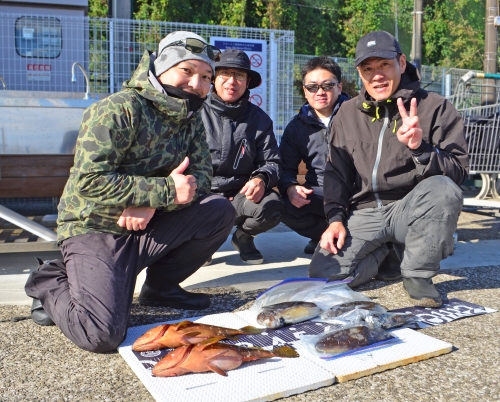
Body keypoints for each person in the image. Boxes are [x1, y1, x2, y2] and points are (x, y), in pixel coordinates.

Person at [24, 31, 236, 353]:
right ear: (161, 69)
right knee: (101, 335)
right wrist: (162, 192)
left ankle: (160, 288)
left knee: (219, 210)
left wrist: (152, 205)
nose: (197, 84)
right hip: (95, 228)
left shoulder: (191, 120)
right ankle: (48, 278)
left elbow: (202, 179)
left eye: (206, 77)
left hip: (148, 225)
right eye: (187, 71)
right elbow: (89, 180)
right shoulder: (119, 109)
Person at [309, 31, 469, 308]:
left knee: (443, 190)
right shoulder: (346, 113)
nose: (377, 75)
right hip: (365, 212)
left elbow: (458, 171)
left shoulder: (435, 107)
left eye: (384, 64)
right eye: (367, 68)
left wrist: (421, 148)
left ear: (402, 63)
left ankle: (417, 274)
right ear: (359, 73)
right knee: (324, 275)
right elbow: (336, 173)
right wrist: (335, 218)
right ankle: (389, 253)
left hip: (410, 209)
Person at [201, 49, 284, 265]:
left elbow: (272, 162)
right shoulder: (194, 114)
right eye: (225, 74)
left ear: (247, 82)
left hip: (241, 196)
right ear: (213, 78)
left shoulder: (260, 119)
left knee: (273, 206)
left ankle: (244, 237)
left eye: (239, 75)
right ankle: (202, 243)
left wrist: (261, 179)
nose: (231, 81)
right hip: (202, 196)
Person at [278, 56, 349, 254]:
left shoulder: (357, 116)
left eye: (327, 85)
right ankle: (323, 235)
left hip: (357, 194)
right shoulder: (296, 127)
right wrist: (291, 187)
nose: (320, 92)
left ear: (339, 87)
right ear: (305, 91)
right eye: (312, 87)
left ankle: (348, 236)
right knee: (278, 204)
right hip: (320, 193)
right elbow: (285, 168)